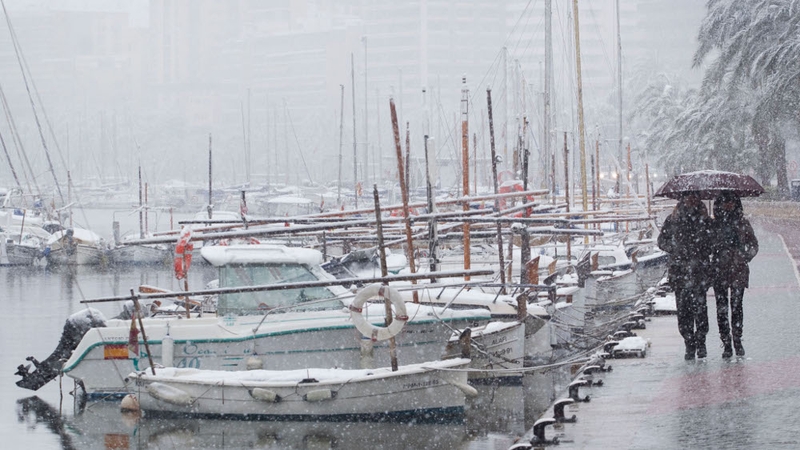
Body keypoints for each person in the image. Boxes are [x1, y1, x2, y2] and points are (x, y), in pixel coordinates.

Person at [657, 192, 714, 360]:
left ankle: (701, 341)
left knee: (700, 310)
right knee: (683, 312)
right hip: (679, 273)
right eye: (688, 197)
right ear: (682, 199)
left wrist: (703, 249)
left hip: (699, 272)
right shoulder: (672, 220)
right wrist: (675, 248)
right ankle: (689, 343)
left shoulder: (705, 220)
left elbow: (712, 243)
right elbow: (661, 241)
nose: (691, 200)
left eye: (694, 197)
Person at [710, 191, 758, 358]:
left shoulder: (743, 223)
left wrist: (745, 257)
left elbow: (753, 244)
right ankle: (726, 343)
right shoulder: (714, 225)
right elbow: (706, 245)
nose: (728, 205)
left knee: (737, 306)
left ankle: (737, 339)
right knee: (721, 308)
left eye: (731, 202)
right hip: (719, 270)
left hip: (738, 270)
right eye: (725, 202)